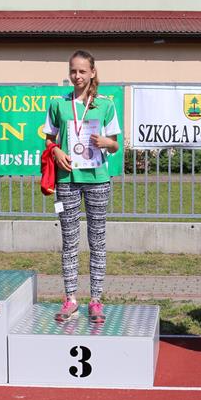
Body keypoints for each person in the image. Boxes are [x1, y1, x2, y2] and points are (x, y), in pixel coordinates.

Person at [43, 50, 120, 324]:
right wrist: (55, 151)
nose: (77, 76)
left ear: (92, 73)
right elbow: (49, 139)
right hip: (67, 180)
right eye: (73, 71)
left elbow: (115, 144)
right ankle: (70, 298)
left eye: (82, 71)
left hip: (98, 179)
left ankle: (96, 300)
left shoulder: (105, 105)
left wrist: (106, 143)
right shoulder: (58, 104)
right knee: (69, 240)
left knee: (97, 240)